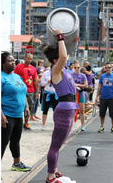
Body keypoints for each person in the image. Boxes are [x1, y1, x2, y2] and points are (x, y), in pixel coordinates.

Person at [43, 29, 78, 183]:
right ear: (56, 60)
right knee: (55, 146)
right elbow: (63, 56)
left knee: (59, 144)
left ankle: (55, 171)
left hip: (70, 109)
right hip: (64, 110)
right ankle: (51, 177)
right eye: (63, 58)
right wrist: (60, 37)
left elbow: (64, 56)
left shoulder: (64, 71)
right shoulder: (56, 69)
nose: (66, 58)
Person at [1, 52, 31, 172]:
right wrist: (1, 115)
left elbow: (22, 92)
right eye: (9, 61)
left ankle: (17, 164)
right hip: (7, 115)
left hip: (18, 115)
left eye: (13, 60)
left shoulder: (16, 76)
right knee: (4, 142)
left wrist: (27, 107)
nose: (13, 62)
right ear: (3, 64)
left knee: (15, 140)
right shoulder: (1, 77)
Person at [14, 53, 38, 130]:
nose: (29, 60)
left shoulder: (33, 68)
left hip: (30, 90)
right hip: (20, 90)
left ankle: (26, 122)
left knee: (30, 107)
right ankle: (18, 123)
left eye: (31, 59)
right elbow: (14, 78)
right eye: (28, 58)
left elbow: (35, 80)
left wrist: (37, 91)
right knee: (19, 106)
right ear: (24, 58)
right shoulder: (18, 67)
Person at [95, 62, 113, 134]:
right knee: (102, 113)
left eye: (109, 67)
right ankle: (102, 126)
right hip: (103, 97)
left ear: (112, 68)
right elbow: (99, 87)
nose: (108, 69)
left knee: (112, 114)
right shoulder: (102, 76)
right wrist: (96, 96)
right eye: (106, 68)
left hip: (112, 97)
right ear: (105, 68)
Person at [40, 61, 58, 131]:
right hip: (47, 92)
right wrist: (47, 82)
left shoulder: (57, 73)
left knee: (55, 110)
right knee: (45, 109)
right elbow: (42, 83)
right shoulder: (45, 73)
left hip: (54, 93)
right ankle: (43, 125)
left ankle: (56, 124)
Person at [71, 63, 88, 131]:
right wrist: (74, 86)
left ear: (80, 67)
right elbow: (69, 84)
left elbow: (86, 85)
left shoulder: (83, 75)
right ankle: (70, 124)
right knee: (72, 110)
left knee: (82, 110)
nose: (77, 69)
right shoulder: (71, 75)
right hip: (73, 94)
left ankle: (83, 125)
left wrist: (78, 85)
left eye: (78, 67)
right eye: (75, 67)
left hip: (81, 93)